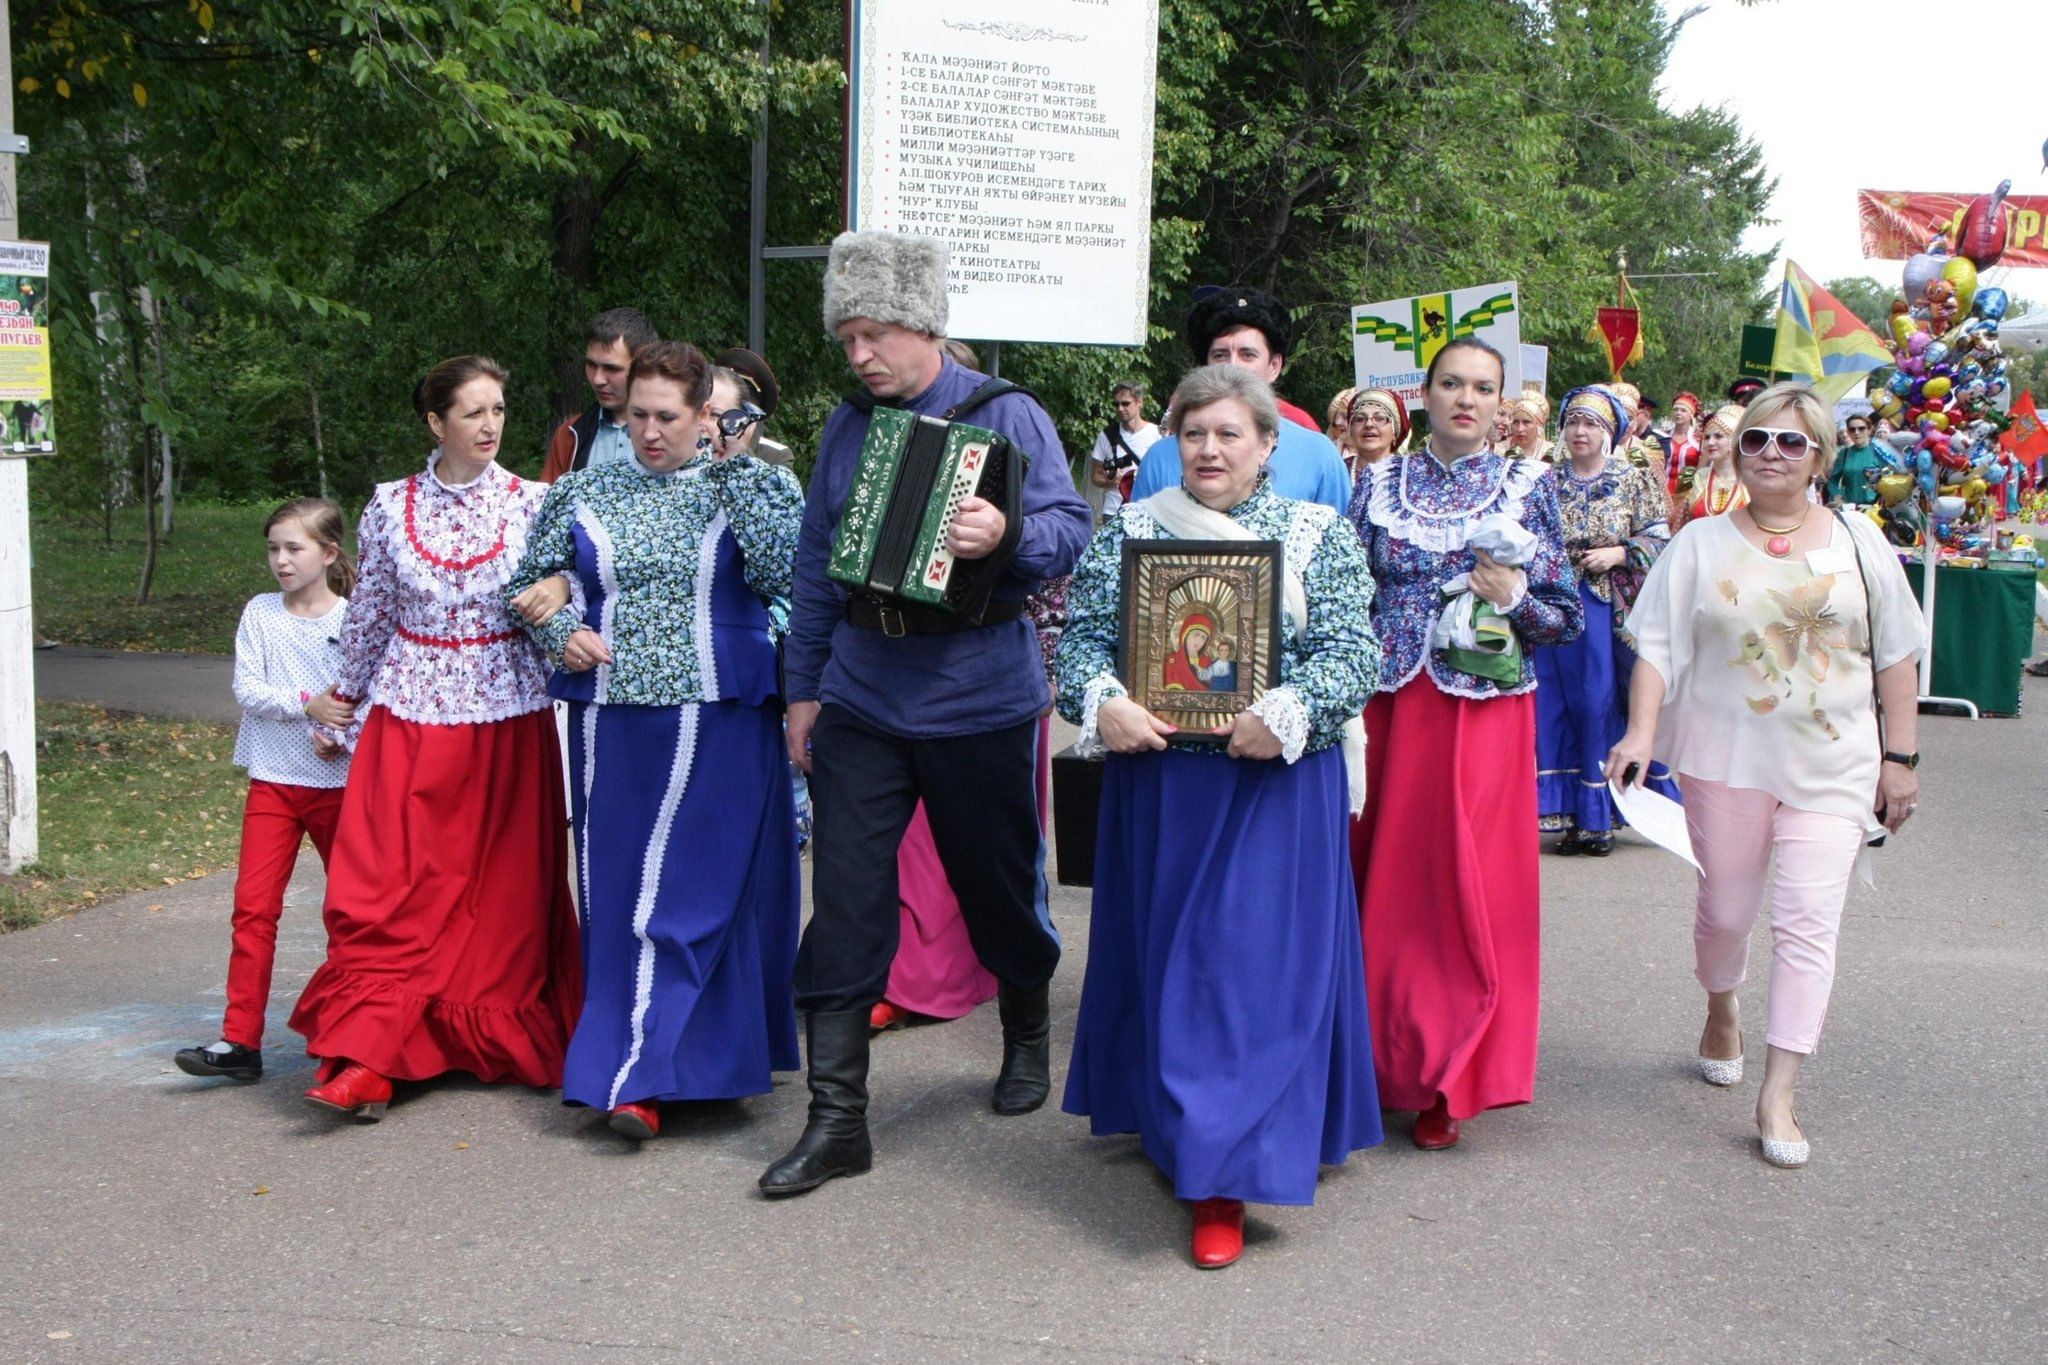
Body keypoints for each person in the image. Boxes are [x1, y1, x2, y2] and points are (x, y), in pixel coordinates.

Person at [762, 230, 1091, 1196]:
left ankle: (1025, 1030)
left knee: (998, 889)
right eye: (848, 337)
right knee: (851, 900)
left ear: (927, 325)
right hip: (863, 696)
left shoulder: (1007, 412)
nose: (860, 354)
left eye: (875, 333)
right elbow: (819, 561)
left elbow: (1070, 528)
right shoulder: (845, 425)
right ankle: (837, 1122)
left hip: (981, 699)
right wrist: (804, 688)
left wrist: (1007, 529)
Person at [1058, 364, 1383, 1270]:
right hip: (1164, 783)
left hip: (1273, 783)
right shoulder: (1130, 528)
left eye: (1228, 434)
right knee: (1174, 968)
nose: (1208, 450)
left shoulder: (1318, 533)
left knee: (1249, 976)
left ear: (1268, 445)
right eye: (1192, 434)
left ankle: (1223, 1175)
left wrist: (1287, 712)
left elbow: (1356, 649)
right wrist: (1102, 699)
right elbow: (1079, 639)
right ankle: (1182, 1126)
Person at [1606, 381, 1924, 1170]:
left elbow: (1896, 653)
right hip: (1726, 760)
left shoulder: (1859, 541)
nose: (1771, 455)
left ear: (1819, 455)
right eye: (1756, 440)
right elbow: (1655, 646)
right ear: (1737, 449)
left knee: (1808, 922)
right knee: (1725, 911)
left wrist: (1901, 759)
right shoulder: (1700, 543)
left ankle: (1779, 1089)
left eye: (1791, 442)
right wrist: (1642, 731)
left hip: (1835, 764)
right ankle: (1722, 1004)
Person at [507, 340, 804, 1140]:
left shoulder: (756, 483)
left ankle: (661, 1071)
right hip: (613, 722)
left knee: (695, 897)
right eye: (636, 414)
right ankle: (645, 1068)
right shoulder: (579, 490)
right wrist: (562, 629)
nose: (648, 431)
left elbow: (789, 573)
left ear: (705, 413)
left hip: (723, 714)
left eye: (667, 416)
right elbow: (524, 587)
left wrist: (738, 467)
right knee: (621, 900)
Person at [291, 356, 582, 1122]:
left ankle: (479, 1035)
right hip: (408, 716)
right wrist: (342, 704)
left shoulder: (536, 503)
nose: (489, 426)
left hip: (507, 720)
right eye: (472, 412)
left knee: (500, 897)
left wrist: (564, 594)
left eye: (498, 410)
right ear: (435, 422)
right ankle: (367, 1052)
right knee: (386, 889)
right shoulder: (389, 507)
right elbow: (371, 615)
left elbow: (572, 601)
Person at [1348, 337, 1582, 1151]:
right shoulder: (1375, 481)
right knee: (1377, 873)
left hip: (1478, 709)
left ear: (1501, 402)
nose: (1466, 399)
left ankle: (1452, 1071)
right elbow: (1344, 591)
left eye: (1483, 387)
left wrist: (1516, 594)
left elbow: (1565, 616)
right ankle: (1372, 1058)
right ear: (1423, 391)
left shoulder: (1529, 485)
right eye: (1452, 382)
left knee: (1462, 884)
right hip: (1383, 705)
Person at [173, 499, 358, 1083]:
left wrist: (336, 737)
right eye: (274, 548)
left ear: (328, 554)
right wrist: (309, 708)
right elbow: (248, 688)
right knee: (253, 910)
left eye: (294, 548)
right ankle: (239, 1041)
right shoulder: (260, 614)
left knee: (349, 914)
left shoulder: (352, 620)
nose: (281, 560)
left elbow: (362, 702)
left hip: (337, 787)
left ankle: (344, 1037)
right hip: (273, 784)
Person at [1533, 387, 1678, 855]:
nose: (1579, 431)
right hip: (1556, 605)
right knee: (1555, 704)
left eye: (1591, 424)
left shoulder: (1633, 479)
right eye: (1573, 422)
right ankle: (1567, 811)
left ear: (1610, 432)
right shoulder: (1545, 482)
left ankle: (1599, 817)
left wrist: (1621, 552)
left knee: (1597, 701)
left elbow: (1660, 537)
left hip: (1608, 605)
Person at [1129, 288, 1351, 512]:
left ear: (1274, 366)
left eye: (1248, 355)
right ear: (1204, 367)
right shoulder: (1159, 458)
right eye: (1220, 355)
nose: (1232, 366)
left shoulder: (1318, 455)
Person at [540, 308, 660, 483]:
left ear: (644, 367)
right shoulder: (569, 435)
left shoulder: (671, 434)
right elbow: (547, 505)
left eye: (612, 368)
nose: (598, 379)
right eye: (591, 365)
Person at [1086, 380, 1160, 524]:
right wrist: (1110, 481)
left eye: (1125, 403)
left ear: (1139, 402)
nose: (1120, 408)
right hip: (1113, 512)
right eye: (1116, 404)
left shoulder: (1157, 434)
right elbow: (1096, 476)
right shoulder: (1107, 436)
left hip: (1148, 512)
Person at [1677, 403, 1749, 529]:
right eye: (1707, 437)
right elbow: (1682, 524)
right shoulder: (1701, 476)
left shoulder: (1750, 480)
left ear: (1735, 440)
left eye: (1719, 436)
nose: (1710, 442)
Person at [1342, 388, 1409, 479]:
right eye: (1360, 419)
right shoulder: (1338, 471)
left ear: (1395, 432)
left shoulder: (1409, 473)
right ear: (1351, 430)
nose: (1369, 424)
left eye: (1379, 418)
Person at [1826, 414, 1885, 507]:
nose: (1856, 432)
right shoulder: (1844, 454)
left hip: (1876, 509)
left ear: (1869, 430)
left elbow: (1890, 479)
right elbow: (1832, 481)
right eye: (1852, 429)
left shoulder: (1880, 452)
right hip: (1851, 509)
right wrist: (1837, 497)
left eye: (1861, 428)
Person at [1664, 392, 1702, 502]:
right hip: (1662, 493)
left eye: (1683, 410)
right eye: (1675, 409)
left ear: (1691, 415)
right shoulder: (1663, 436)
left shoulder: (1699, 440)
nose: (1678, 413)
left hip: (1687, 496)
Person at [1503, 389, 1551, 463]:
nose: (1520, 429)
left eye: (1526, 422)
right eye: (1515, 422)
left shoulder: (1549, 452)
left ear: (1538, 425)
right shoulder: (1499, 450)